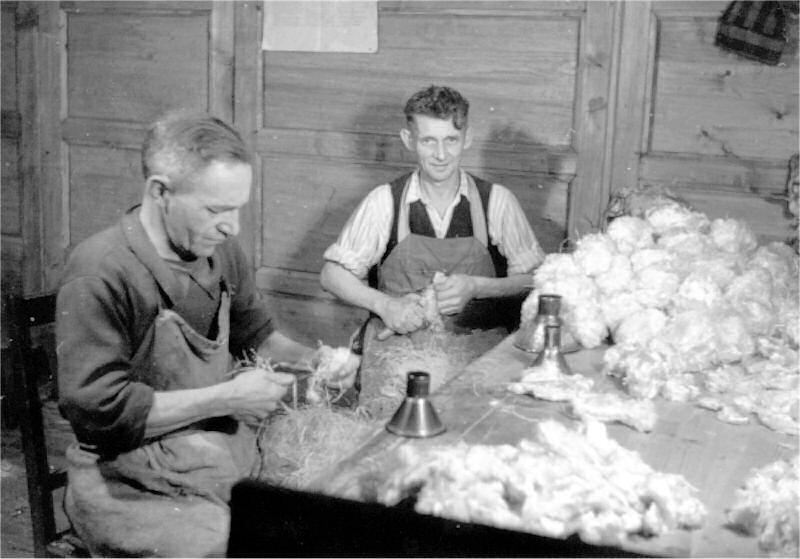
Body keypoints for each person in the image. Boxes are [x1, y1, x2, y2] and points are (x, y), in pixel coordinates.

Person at [56, 111, 355, 557]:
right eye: (216, 209)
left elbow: (258, 335)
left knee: (327, 526)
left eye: (237, 208)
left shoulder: (221, 251)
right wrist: (227, 399)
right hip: (127, 484)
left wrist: (317, 360)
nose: (233, 226)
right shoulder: (102, 270)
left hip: (211, 463)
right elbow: (101, 415)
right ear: (160, 192)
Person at [320, 85, 545, 340]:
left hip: (481, 352)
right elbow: (331, 275)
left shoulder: (497, 201)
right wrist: (386, 305)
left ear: (467, 138)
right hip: (396, 349)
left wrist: (476, 286)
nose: (441, 155)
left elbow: (535, 279)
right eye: (428, 141)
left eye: (451, 140)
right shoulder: (384, 201)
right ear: (408, 140)